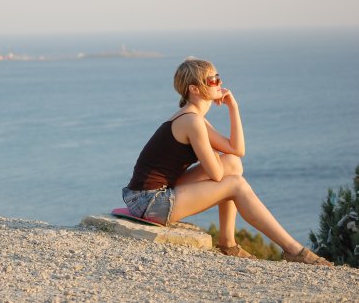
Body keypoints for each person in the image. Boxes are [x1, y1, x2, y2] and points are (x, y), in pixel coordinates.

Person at [122, 57, 332, 266]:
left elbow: (237, 150)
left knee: (232, 163)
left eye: (218, 77)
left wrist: (233, 107)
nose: (219, 83)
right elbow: (216, 174)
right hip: (147, 202)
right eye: (212, 80)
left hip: (153, 193)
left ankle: (227, 243)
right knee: (235, 184)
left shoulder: (195, 118)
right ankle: (294, 250)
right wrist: (211, 151)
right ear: (194, 89)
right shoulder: (191, 121)